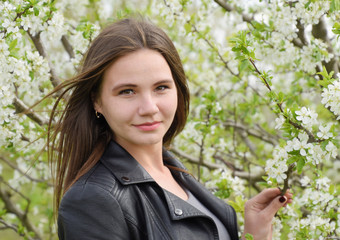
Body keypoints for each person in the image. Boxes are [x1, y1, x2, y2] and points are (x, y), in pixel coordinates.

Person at [48, 17, 293, 240]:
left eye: (161, 87)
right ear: (97, 101)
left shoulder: (179, 178)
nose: (149, 107)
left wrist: (255, 235)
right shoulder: (92, 200)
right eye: (127, 91)